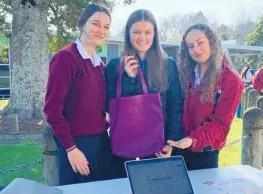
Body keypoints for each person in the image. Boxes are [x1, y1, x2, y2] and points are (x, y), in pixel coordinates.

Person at [105, 9, 183, 178]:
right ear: (128, 33)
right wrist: (129, 78)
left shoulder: (167, 65)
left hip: (158, 145)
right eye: (136, 32)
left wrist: (171, 143)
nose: (142, 37)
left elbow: (175, 105)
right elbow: (109, 105)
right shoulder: (114, 65)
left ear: (155, 34)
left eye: (148, 32)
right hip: (124, 144)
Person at [44, 4, 113, 185]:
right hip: (77, 146)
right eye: (96, 24)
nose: (101, 30)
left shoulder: (99, 64)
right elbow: (52, 110)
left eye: (106, 27)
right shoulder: (66, 58)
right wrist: (70, 148)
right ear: (82, 24)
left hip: (101, 143)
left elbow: (96, 106)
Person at [167, 23, 244, 170]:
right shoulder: (185, 75)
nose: (196, 49)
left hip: (204, 154)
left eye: (200, 42)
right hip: (177, 148)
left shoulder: (230, 80)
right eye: (190, 46)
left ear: (212, 42)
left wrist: (193, 140)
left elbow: (220, 125)